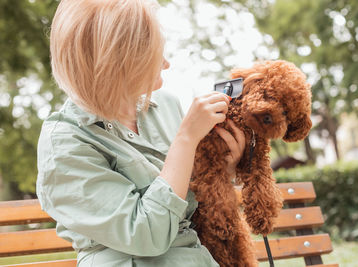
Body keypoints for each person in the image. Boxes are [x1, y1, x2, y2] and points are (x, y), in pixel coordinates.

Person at [36, 0, 245, 266]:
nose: (166, 63)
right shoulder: (65, 142)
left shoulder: (166, 104)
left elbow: (193, 209)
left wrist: (223, 170)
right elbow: (147, 235)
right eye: (154, 54)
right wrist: (186, 139)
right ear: (118, 62)